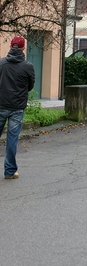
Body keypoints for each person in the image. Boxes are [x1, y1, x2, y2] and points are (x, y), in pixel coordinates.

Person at [0, 36, 35, 180]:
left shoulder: (1, 63)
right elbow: (30, 86)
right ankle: (9, 171)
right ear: (23, 48)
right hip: (17, 107)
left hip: (0, 105)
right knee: (12, 140)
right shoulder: (28, 66)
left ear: (10, 46)